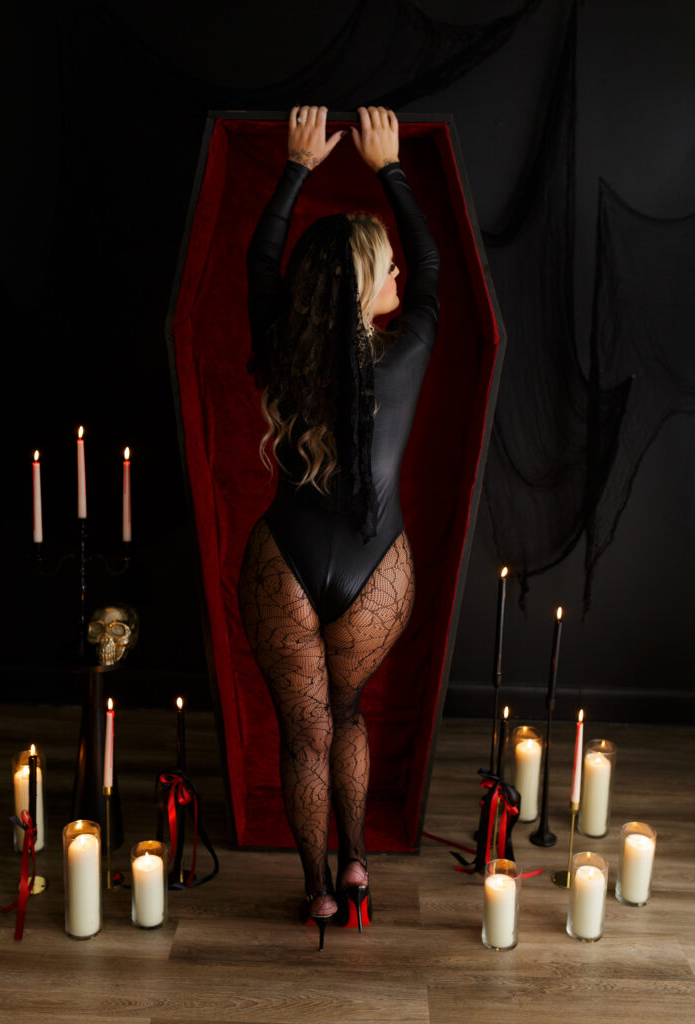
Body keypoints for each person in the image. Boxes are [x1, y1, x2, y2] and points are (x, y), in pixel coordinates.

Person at [239, 104, 439, 949]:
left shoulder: (283, 346)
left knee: (303, 736)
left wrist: (295, 169)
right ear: (362, 282)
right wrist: (391, 170)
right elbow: (431, 269)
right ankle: (356, 864)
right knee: (347, 717)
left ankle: (319, 892)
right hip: (376, 573)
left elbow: (260, 263)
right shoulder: (407, 352)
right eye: (382, 268)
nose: (397, 274)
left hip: (282, 563)